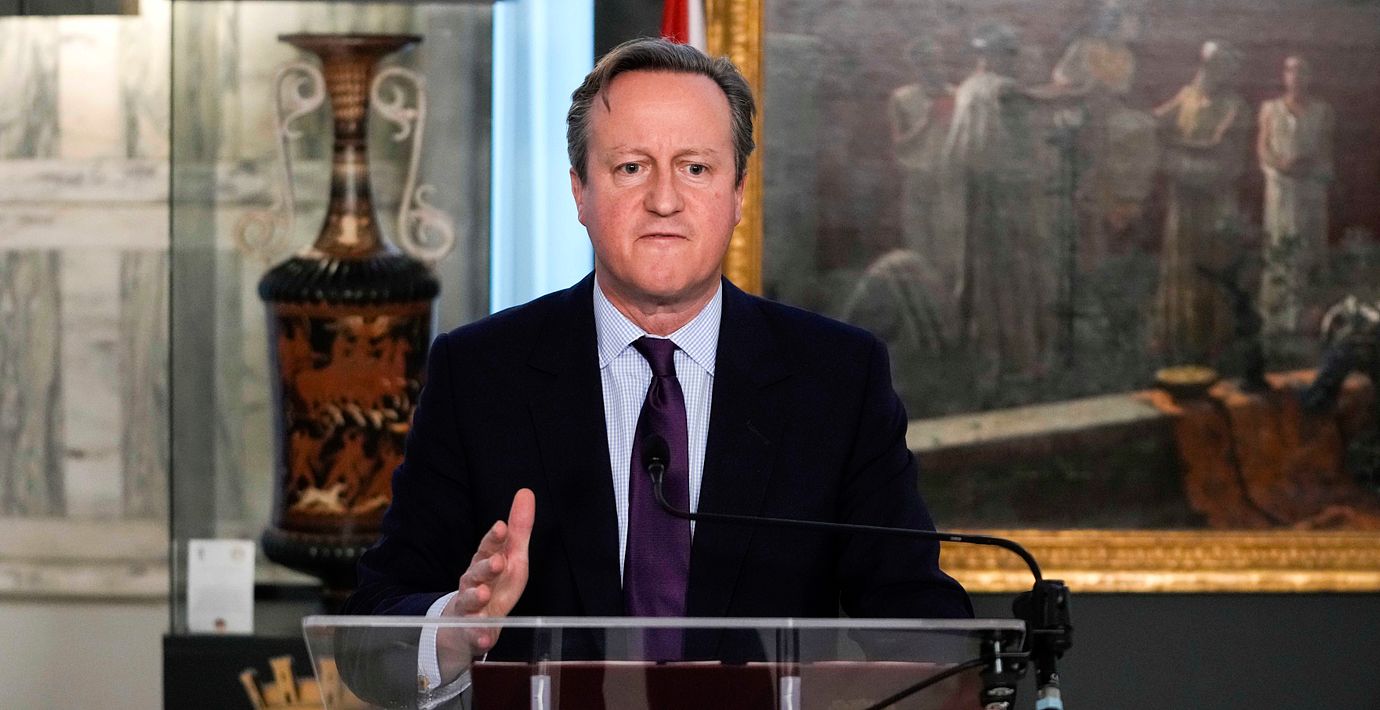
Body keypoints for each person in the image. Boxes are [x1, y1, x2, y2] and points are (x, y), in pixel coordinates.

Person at [342, 37, 972, 700]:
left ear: (738, 193)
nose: (665, 200)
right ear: (580, 192)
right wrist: (455, 627)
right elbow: (371, 629)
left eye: (695, 168)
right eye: (631, 167)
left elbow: (922, 626)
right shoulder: (480, 376)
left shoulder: (836, 380)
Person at [1151, 40, 1249, 364]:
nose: (1212, 73)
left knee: (1213, 258)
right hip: (1185, 189)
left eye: (1222, 67)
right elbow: (1155, 120)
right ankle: (1179, 333)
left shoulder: (1235, 106)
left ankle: (1214, 337)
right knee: (1182, 257)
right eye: (1209, 66)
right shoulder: (1186, 96)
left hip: (1215, 193)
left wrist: (1175, 143)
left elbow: (1216, 145)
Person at [1257, 55, 1335, 337]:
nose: (1296, 76)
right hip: (1281, 189)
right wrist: (1281, 165)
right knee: (1281, 242)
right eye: (1290, 70)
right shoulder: (1270, 109)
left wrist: (1307, 166)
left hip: (1310, 188)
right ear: (1284, 75)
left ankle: (1308, 319)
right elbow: (1263, 148)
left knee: (1309, 245)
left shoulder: (1322, 111)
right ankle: (1278, 318)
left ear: (1310, 76)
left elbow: (1325, 150)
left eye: (1302, 71)